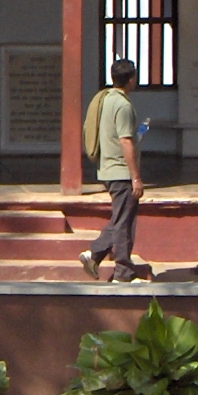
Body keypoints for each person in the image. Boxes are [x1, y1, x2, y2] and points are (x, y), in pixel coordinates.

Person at [80, 59, 152, 282]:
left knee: (122, 218)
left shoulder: (106, 100)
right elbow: (125, 142)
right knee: (123, 224)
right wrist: (136, 177)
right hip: (121, 171)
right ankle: (123, 272)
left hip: (108, 168)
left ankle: (95, 254)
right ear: (131, 79)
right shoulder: (123, 105)